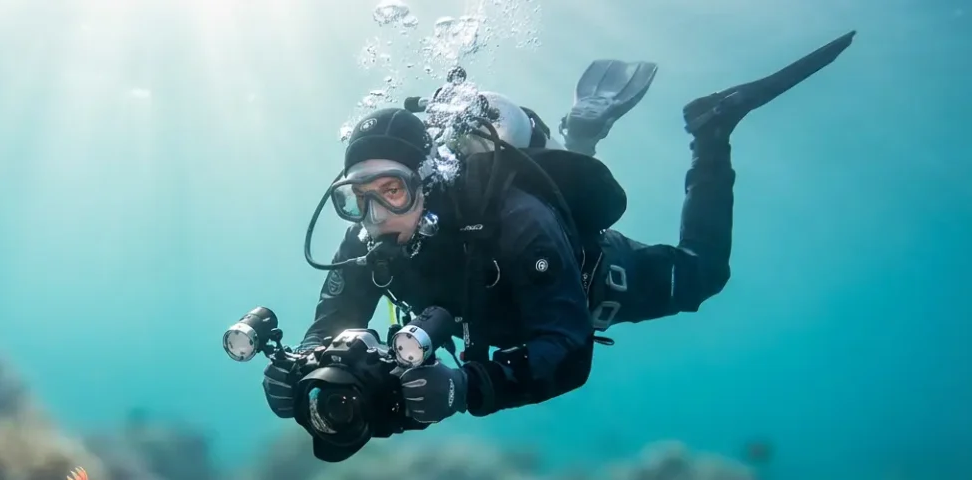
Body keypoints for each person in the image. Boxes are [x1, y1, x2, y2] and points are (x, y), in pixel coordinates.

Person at [263, 32, 856, 428]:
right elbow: (335, 326)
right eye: (357, 199)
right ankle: (582, 133)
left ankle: (711, 129)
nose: (377, 216)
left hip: (587, 280)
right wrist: (303, 371)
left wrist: (468, 386)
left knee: (702, 276)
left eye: (392, 190)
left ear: (427, 179)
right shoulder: (369, 235)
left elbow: (569, 351)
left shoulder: (518, 221)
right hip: (491, 302)